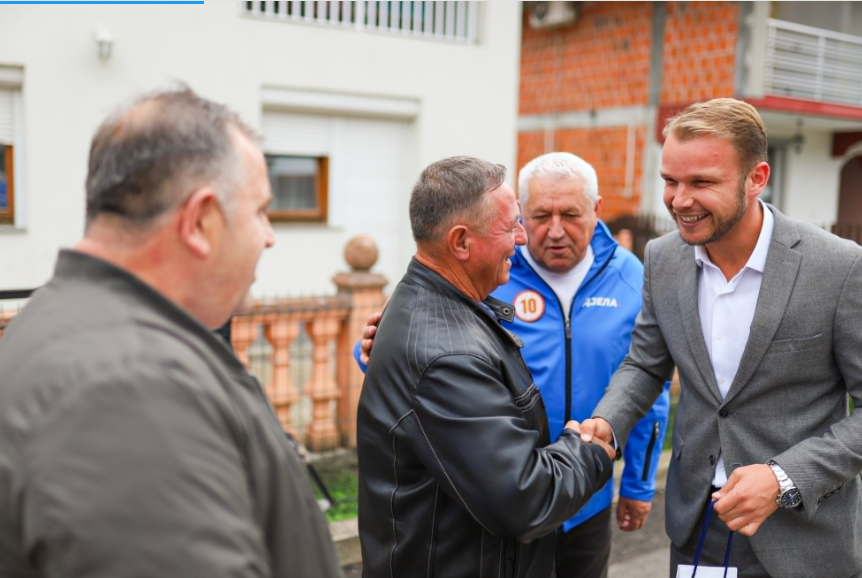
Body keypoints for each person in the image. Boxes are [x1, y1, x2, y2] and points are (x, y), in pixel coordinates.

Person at [0, 88, 345, 577]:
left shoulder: (83, 329)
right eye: (260, 211)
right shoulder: (127, 386)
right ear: (200, 222)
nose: (269, 236)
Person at [580, 97, 862, 578]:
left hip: (805, 537)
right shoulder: (663, 257)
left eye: (702, 182)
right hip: (696, 527)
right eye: (670, 181)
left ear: (756, 178)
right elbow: (646, 364)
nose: (679, 200)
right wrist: (607, 422)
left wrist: (782, 478)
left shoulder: (838, 267)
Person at [357, 152, 671, 578]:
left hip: (582, 501)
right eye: (533, 216)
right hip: (521, 496)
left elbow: (649, 380)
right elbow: (434, 368)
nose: (546, 232)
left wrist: (636, 482)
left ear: (596, 211)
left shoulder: (631, 277)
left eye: (571, 215)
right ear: (464, 241)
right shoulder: (491, 271)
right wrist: (379, 360)